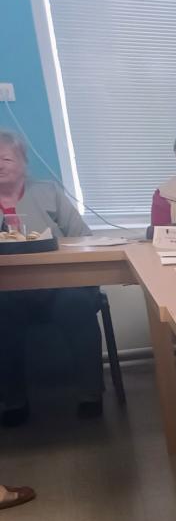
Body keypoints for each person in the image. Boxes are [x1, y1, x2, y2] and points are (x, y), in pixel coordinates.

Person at [0, 130, 104, 426]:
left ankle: (90, 394)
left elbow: (83, 237)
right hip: (7, 291)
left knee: (77, 304)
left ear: (23, 162)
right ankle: (13, 400)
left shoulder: (49, 191)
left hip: (59, 286)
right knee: (2, 313)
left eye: (6, 158)